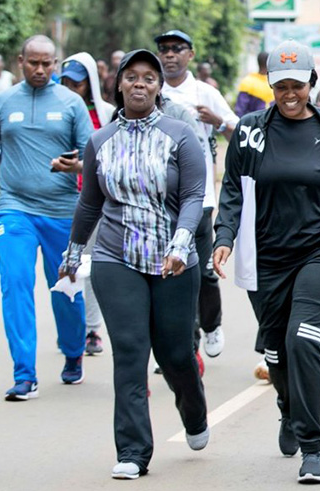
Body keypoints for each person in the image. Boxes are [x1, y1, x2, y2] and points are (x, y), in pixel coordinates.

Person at [213, 39, 320, 484]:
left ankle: (313, 447)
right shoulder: (250, 130)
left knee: (304, 340)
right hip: (268, 257)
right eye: (280, 85)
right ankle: (288, 407)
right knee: (276, 350)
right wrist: (223, 237)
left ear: (312, 82)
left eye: (297, 84)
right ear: (270, 85)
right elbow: (231, 190)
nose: (289, 93)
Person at [59, 49, 209, 479]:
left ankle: (194, 413)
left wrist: (181, 244)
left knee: (176, 353)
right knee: (129, 351)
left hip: (172, 260)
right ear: (119, 85)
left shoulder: (180, 134)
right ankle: (132, 451)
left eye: (149, 78)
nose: (140, 84)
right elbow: (89, 204)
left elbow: (195, 196)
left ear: (159, 87)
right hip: (115, 255)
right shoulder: (100, 140)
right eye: (132, 77)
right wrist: (73, 253)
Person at [0, 35, 93, 401]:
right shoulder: (5, 101)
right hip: (14, 207)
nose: (40, 69)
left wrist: (76, 166)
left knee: (66, 288)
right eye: (33, 62)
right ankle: (25, 374)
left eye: (47, 63)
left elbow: (93, 159)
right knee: (15, 283)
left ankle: (73, 351)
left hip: (61, 211)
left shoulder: (71, 104)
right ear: (21, 61)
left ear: (56, 64)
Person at [155, 29, 238, 361]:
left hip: (199, 198)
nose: (170, 54)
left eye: (177, 48)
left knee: (203, 272)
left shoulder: (205, 92)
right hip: (160, 201)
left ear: (190, 54)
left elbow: (239, 135)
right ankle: (184, 346)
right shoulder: (152, 91)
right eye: (164, 49)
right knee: (170, 273)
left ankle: (212, 324)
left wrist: (217, 121)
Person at [60, 52, 116, 356]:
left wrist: (81, 167)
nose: (71, 88)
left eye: (77, 84)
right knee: (65, 266)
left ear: (89, 83)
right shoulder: (55, 110)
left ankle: (93, 329)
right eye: (66, 82)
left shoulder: (106, 114)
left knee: (89, 265)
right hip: (59, 199)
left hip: (93, 200)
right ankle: (70, 330)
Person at [235, 52, 274, 117]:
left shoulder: (247, 81)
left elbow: (240, 109)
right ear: (269, 63)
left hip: (251, 123)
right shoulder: (274, 83)